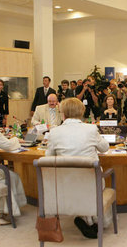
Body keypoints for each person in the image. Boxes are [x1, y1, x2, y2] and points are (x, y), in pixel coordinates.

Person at [46, 98, 110, 238]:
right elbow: (105, 147)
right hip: (91, 182)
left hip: (64, 183)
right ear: (82, 112)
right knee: (95, 181)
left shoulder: (54, 132)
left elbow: (48, 158)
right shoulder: (91, 129)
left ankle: (86, 219)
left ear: (63, 113)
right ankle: (92, 220)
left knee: (76, 183)